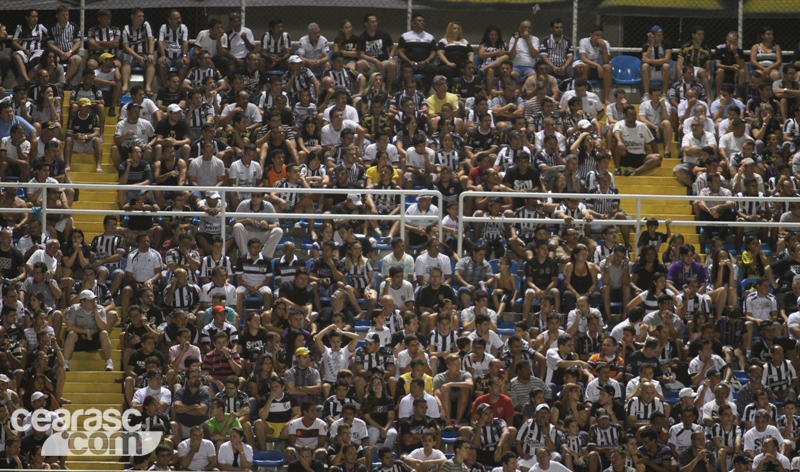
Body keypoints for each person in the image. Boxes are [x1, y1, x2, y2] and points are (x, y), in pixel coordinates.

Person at [62, 290, 113, 372]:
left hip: (94, 339)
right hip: (79, 338)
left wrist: (96, 312)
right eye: (90, 300)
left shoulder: (100, 309)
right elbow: (69, 326)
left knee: (104, 333)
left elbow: (103, 327)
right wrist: (85, 331)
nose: (94, 302)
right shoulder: (74, 309)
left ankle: (109, 362)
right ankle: (65, 362)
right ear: (83, 301)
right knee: (71, 334)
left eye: (94, 300)